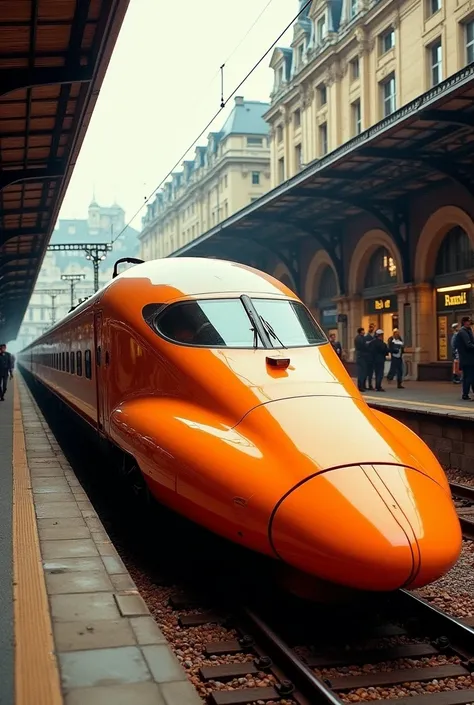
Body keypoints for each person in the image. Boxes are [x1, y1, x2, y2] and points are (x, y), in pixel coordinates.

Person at [455, 316, 474, 401]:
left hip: (467, 358)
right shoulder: (463, 332)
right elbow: (468, 344)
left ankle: (465, 394)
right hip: (468, 358)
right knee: (469, 377)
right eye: (468, 321)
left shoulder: (467, 331)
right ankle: (465, 394)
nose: (469, 323)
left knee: (468, 376)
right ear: (464, 322)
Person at [354, 327, 368, 392]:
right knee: (362, 372)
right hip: (361, 356)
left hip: (360, 356)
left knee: (362, 371)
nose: (364, 332)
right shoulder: (360, 338)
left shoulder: (358, 338)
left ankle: (362, 385)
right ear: (360, 332)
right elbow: (363, 346)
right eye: (363, 331)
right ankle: (361, 386)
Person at [364, 323, 376, 390]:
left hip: (373, 357)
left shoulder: (375, 336)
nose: (372, 328)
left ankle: (370, 385)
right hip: (368, 357)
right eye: (371, 327)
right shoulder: (366, 337)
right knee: (367, 372)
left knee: (371, 372)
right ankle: (365, 385)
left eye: (373, 327)